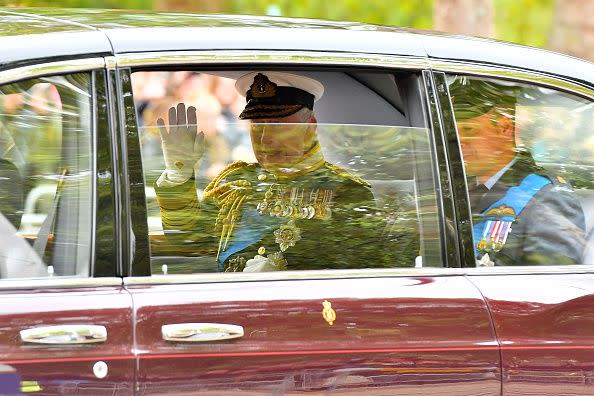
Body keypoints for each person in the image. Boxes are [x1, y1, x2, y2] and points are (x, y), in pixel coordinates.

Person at [154, 71, 416, 272]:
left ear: (310, 127)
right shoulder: (235, 180)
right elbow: (189, 242)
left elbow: (357, 271)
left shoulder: (346, 193)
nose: (265, 138)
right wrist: (179, 175)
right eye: (257, 125)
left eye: (278, 125)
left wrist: (288, 276)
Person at [449, 76, 586, 265]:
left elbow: (555, 283)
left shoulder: (546, 195)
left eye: (470, 131)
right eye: (456, 133)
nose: (459, 142)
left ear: (505, 127)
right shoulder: (458, 188)